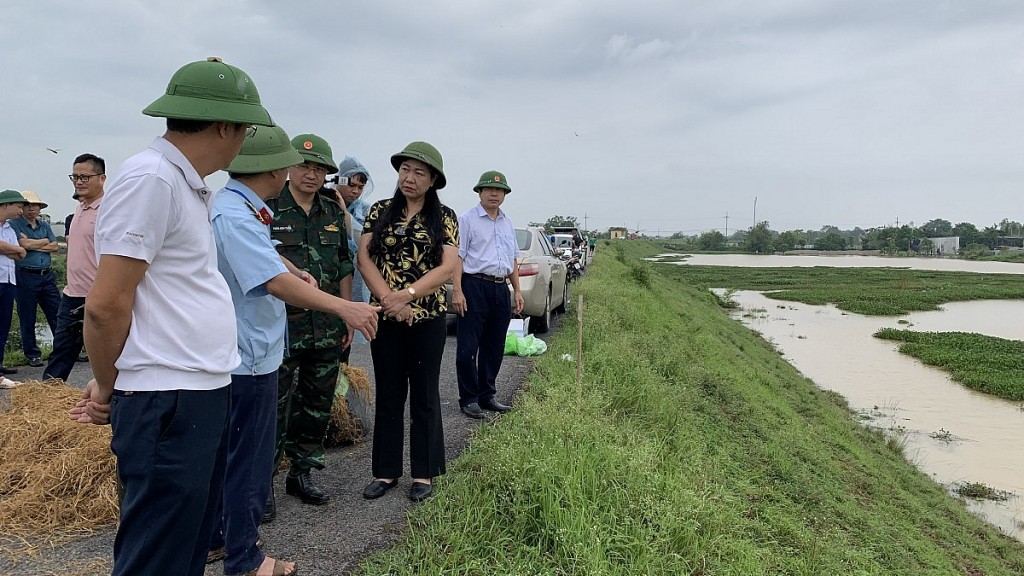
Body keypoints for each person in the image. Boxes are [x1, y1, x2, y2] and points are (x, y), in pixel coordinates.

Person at [69, 57, 275, 576]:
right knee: (157, 555)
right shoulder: (151, 179)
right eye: (245, 130)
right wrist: (109, 384)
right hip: (166, 395)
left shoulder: (182, 183)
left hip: (193, 390)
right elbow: (105, 304)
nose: (244, 142)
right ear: (224, 127)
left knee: (184, 550)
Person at [208, 124, 378, 576]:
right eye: (291, 166)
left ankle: (226, 535)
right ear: (272, 169)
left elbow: (273, 259)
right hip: (250, 355)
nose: (295, 174)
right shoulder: (237, 213)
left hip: (263, 346)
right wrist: (349, 308)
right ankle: (244, 557)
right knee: (249, 455)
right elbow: (269, 280)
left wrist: (291, 267)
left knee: (269, 435)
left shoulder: (248, 207)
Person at [359, 141, 459, 503]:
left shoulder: (444, 216)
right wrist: (389, 298)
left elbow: (447, 266)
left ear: (432, 180)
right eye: (404, 170)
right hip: (385, 317)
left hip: (426, 316)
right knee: (388, 393)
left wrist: (408, 295)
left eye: (419, 172)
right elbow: (365, 258)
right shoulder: (380, 211)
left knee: (425, 394)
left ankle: (423, 472)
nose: (409, 178)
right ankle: (385, 472)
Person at [269, 133, 353, 511]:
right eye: (305, 166)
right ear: (289, 166)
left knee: (317, 404)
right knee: (273, 407)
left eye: (319, 169)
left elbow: (343, 264)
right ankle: (260, 485)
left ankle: (301, 472)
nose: (311, 174)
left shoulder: (332, 212)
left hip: (325, 328)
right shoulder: (268, 208)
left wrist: (345, 310)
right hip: (281, 328)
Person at [451, 171, 523, 419]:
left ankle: (487, 395)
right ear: (479, 193)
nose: (495, 194)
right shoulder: (467, 219)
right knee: (468, 347)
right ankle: (469, 398)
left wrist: (517, 290)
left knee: (494, 346)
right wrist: (458, 291)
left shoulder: (506, 221)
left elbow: (512, 259)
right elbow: (457, 258)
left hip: (500, 288)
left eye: (499, 190)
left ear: (504, 194)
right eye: (489, 190)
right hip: (474, 286)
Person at [43, 154, 104, 382]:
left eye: (85, 177)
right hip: (72, 294)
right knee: (62, 350)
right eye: (75, 177)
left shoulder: (107, 210)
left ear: (101, 178)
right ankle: (45, 399)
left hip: (96, 294)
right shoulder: (79, 208)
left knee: (108, 353)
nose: (79, 182)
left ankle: (110, 402)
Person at [9, 191, 60, 367]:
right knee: (28, 317)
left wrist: (33, 244)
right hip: (25, 275)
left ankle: (63, 350)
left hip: (46, 275)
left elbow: (54, 247)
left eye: (35, 205)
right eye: (28, 205)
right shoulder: (14, 225)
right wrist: (42, 242)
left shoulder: (44, 224)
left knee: (57, 314)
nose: (32, 208)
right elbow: (23, 245)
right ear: (21, 208)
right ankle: (32, 354)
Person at [0, 190, 27, 388]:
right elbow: (16, 250)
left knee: (3, 325)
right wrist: (15, 250)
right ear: (5, 205)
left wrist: (14, 250)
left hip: (9, 281)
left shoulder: (9, 229)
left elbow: (21, 254)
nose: (21, 210)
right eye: (18, 206)